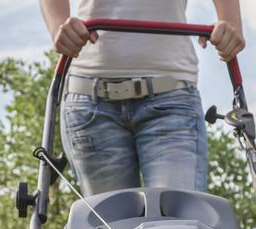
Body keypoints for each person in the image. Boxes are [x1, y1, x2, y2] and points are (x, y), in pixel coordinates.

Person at [39, 0, 245, 195]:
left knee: (178, 225)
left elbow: (230, 26)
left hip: (171, 100)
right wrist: (59, 26)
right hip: (90, 105)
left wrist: (230, 24)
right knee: (110, 227)